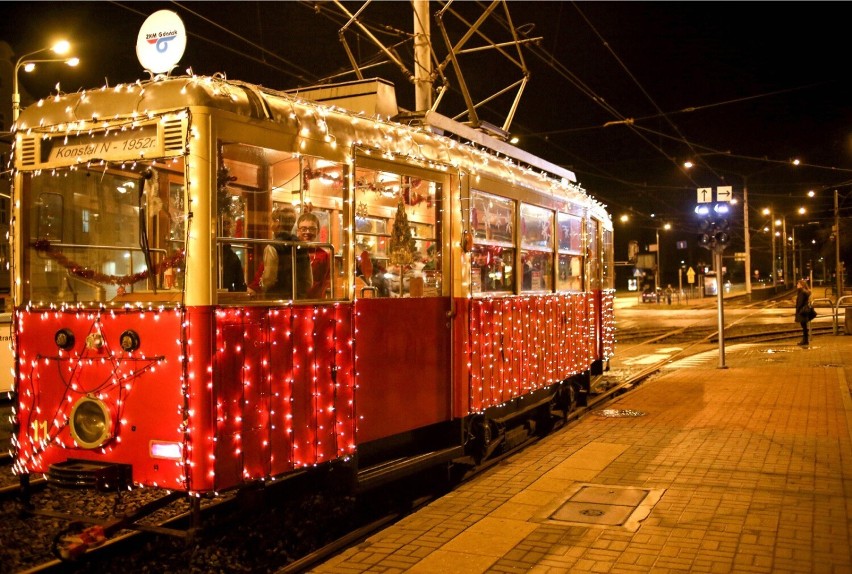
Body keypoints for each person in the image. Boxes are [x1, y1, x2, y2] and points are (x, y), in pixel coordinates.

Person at [248, 204, 312, 299]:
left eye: (272, 221)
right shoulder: (302, 246)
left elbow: (269, 279)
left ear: (277, 223)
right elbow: (309, 280)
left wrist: (261, 286)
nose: (270, 224)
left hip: (277, 299)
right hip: (299, 299)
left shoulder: (272, 247)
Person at [295, 211, 331, 299]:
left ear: (318, 231)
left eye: (312, 229)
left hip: (316, 300)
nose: (307, 232)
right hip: (293, 299)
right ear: (298, 231)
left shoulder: (324, 254)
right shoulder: (291, 251)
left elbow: (327, 281)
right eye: (303, 229)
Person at [794, 278, 814, 346]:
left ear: (801, 285)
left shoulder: (801, 292)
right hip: (805, 310)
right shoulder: (805, 292)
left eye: (798, 284)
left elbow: (800, 302)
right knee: (804, 326)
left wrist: (798, 309)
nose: (797, 285)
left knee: (804, 326)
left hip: (802, 311)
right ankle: (805, 340)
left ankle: (805, 340)